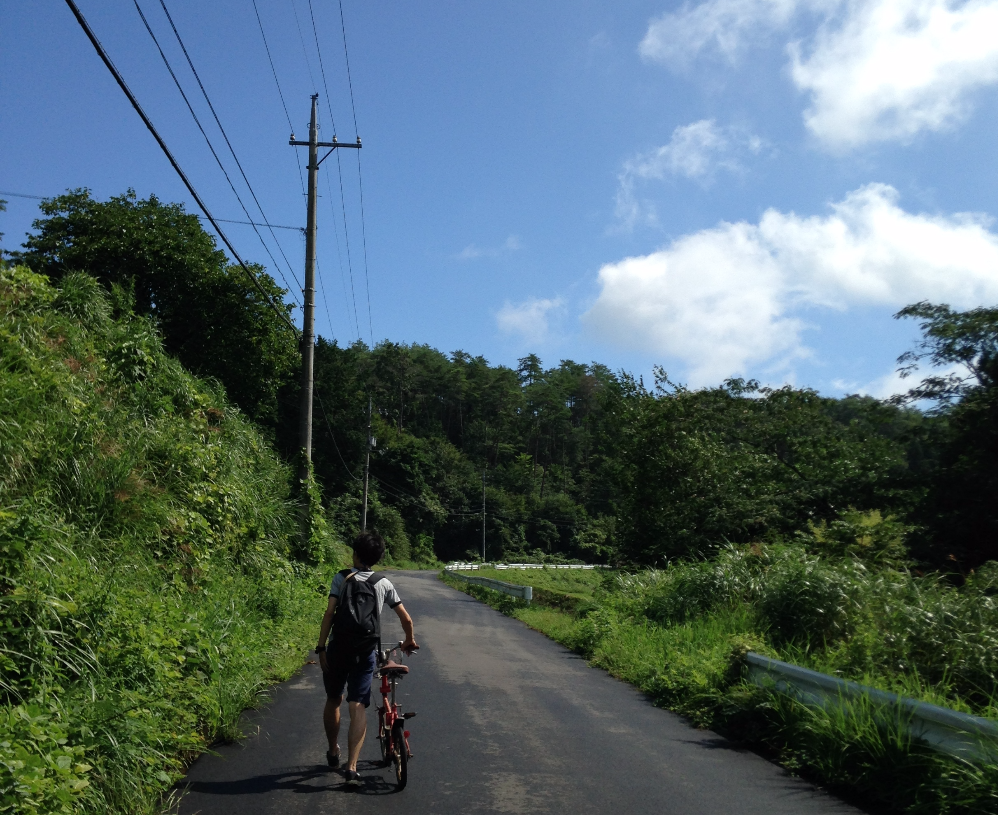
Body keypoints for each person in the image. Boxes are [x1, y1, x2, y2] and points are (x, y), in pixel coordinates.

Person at [315, 531, 417, 787]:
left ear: (355, 554)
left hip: (338, 649)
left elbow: (329, 614)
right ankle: (351, 768)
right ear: (378, 558)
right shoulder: (383, 583)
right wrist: (409, 640)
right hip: (365, 651)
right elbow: (406, 618)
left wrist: (321, 647)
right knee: (357, 704)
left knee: (334, 699)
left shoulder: (341, 578)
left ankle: (333, 751)